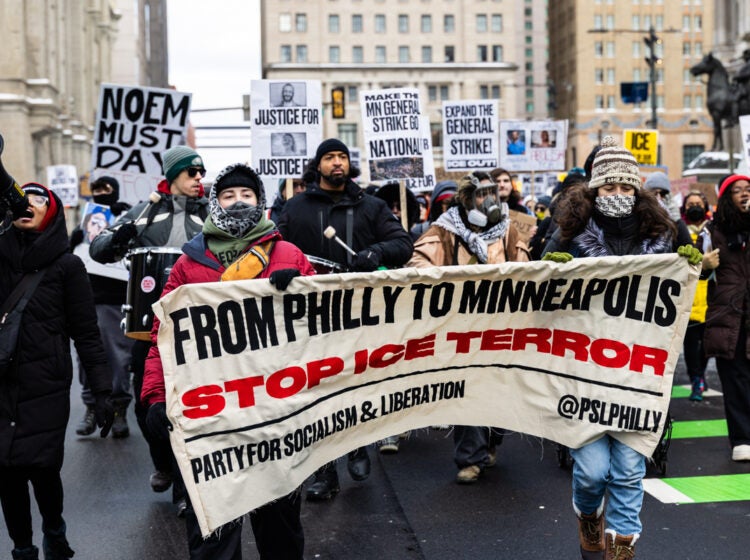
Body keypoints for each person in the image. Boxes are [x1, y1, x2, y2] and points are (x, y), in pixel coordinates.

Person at [141, 163, 312, 559]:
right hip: (212, 417)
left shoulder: (287, 253)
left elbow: (320, 329)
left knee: (280, 531)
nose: (238, 202)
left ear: (261, 201)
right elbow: (161, 337)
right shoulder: (190, 263)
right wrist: (154, 396)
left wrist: (300, 288)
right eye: (229, 195)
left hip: (274, 412)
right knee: (212, 532)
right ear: (215, 203)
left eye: (247, 195)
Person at [541, 136, 700, 559]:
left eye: (626, 188)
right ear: (595, 190)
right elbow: (537, 287)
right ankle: (588, 513)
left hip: (640, 369)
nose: (618, 196)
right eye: (609, 188)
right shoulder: (569, 233)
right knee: (592, 471)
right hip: (586, 369)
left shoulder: (665, 230)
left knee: (630, 468)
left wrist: (693, 263)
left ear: (638, 190)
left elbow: (691, 275)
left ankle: (622, 543)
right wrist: (552, 272)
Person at [277, 138, 414, 501]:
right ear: (318, 164)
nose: (337, 163)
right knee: (317, 390)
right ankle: (324, 471)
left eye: (342, 157)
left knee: (355, 384)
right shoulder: (294, 208)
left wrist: (376, 251)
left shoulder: (371, 206)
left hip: (359, 312)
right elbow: (273, 249)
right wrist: (281, 270)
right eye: (329, 157)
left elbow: (403, 244)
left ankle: (357, 445)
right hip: (310, 314)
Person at [90, 145, 209, 512]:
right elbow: (98, 249)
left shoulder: (211, 214)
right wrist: (124, 233)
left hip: (196, 328)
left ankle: (185, 487)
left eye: (202, 174)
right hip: (149, 329)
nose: (199, 180)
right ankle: (162, 462)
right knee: (148, 404)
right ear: (173, 176)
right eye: (192, 173)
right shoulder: (145, 212)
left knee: (191, 407)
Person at [1, 183, 114, 560]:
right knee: (7, 472)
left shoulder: (68, 266)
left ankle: (54, 529)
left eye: (38, 200)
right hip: (3, 385)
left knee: (43, 468)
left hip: (46, 385)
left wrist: (102, 393)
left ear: (51, 214)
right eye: (21, 198)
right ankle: (22, 548)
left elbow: (86, 334)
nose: (26, 204)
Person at [408, 170, 530, 483]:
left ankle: (491, 439)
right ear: (466, 200)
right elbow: (419, 265)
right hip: (462, 328)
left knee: (501, 392)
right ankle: (470, 459)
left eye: (492, 192)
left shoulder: (509, 231)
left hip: (502, 326)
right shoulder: (446, 230)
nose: (488, 200)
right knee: (467, 392)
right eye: (481, 194)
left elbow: (527, 272)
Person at [70, 176, 134, 439]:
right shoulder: (84, 225)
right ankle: (92, 409)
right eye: (96, 190)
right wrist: (73, 240)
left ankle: (118, 410)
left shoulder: (128, 218)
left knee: (119, 359)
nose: (100, 193)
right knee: (87, 360)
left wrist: (127, 224)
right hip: (86, 300)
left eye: (106, 190)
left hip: (117, 299)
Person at [702, 174, 750, 462]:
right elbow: (694, 270)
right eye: (738, 191)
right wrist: (703, 265)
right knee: (734, 378)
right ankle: (742, 438)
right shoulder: (712, 231)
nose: (745, 194)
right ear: (726, 198)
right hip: (728, 316)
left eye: (749, 189)